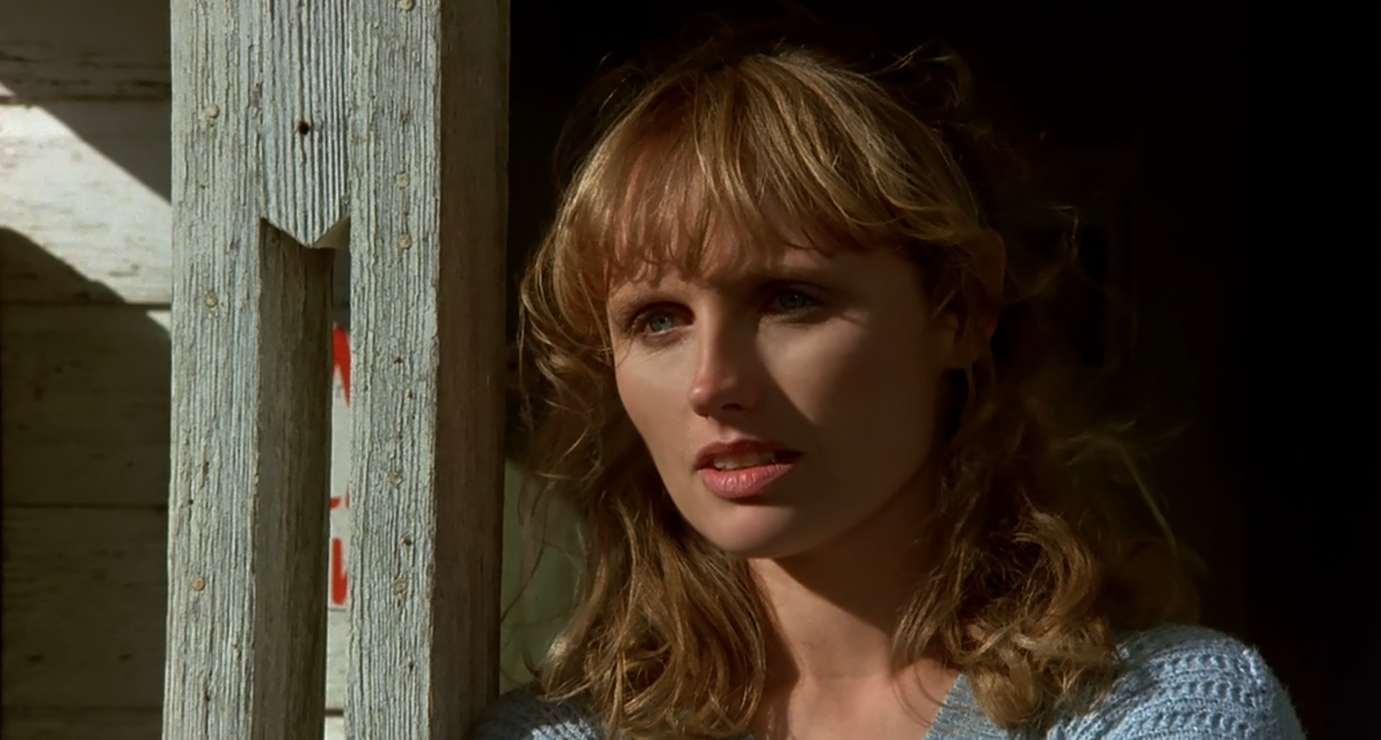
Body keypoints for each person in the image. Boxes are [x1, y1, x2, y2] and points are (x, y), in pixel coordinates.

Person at [474, 16, 1304, 740]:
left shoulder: (1159, 709)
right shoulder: (551, 735)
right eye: (657, 319)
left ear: (958, 307)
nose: (710, 383)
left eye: (788, 298)